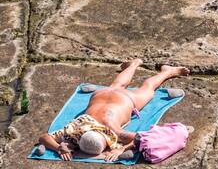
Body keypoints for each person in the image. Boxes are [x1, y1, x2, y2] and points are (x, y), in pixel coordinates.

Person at [37, 58, 188, 161]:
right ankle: (134, 64)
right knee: (117, 85)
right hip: (102, 94)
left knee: (148, 88)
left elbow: (140, 138)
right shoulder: (75, 128)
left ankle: (168, 71)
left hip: (127, 99)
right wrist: (59, 147)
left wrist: (120, 149)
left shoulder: (113, 132)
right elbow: (44, 137)